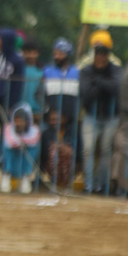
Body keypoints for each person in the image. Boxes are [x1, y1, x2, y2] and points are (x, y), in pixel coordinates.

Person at [78, 44, 122, 193]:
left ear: (107, 57)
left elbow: (116, 88)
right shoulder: (86, 71)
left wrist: (97, 81)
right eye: (98, 55)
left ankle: (102, 185)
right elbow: (86, 94)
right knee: (88, 149)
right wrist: (104, 85)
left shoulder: (115, 70)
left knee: (106, 151)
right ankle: (89, 185)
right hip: (91, 115)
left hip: (111, 116)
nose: (100, 58)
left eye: (103, 55)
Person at [0, 28, 26, 179]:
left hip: (7, 105)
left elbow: (18, 85)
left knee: (7, 139)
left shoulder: (17, 60)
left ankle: (6, 170)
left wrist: (12, 105)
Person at [43, 38, 81, 168]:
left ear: (67, 55)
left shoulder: (76, 73)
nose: (57, 56)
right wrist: (48, 110)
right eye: (55, 53)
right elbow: (40, 94)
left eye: (60, 53)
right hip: (51, 118)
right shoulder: (47, 72)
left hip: (71, 119)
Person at [0, 104, 41, 194]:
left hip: (26, 157)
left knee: (34, 149)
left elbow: (34, 140)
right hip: (13, 156)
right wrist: (20, 143)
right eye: (16, 121)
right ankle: (6, 175)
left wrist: (22, 142)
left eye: (21, 121)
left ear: (27, 121)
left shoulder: (34, 129)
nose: (18, 124)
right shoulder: (8, 128)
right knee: (7, 149)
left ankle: (26, 177)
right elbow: (9, 142)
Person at [21, 40, 45, 127]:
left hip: (38, 110)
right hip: (20, 109)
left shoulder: (42, 71)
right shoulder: (19, 69)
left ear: (37, 53)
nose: (30, 55)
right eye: (27, 52)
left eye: (32, 52)